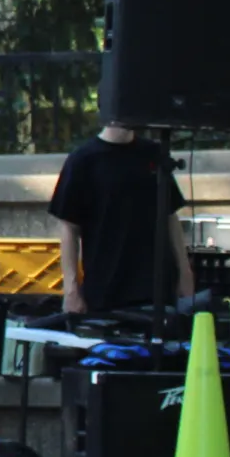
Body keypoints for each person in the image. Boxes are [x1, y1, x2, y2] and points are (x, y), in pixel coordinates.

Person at [48, 122, 194, 315]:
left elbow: (169, 216)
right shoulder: (83, 159)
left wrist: (184, 272)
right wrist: (71, 289)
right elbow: (68, 227)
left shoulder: (152, 153)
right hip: (106, 288)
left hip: (156, 287)